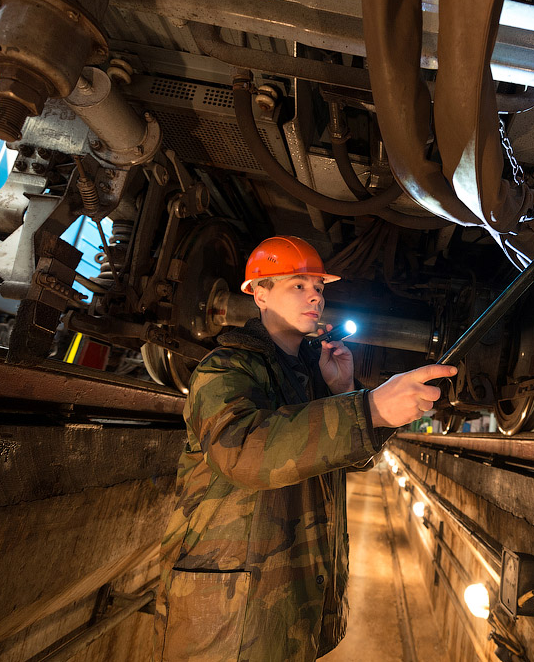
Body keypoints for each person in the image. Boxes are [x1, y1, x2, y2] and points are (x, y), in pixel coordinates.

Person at [154, 235, 456, 662]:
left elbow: (350, 462)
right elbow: (242, 452)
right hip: (228, 616)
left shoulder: (308, 378)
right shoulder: (225, 368)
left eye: (319, 286)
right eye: (298, 284)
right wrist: (366, 408)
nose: (315, 294)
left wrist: (342, 390)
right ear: (258, 293)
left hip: (289, 607)